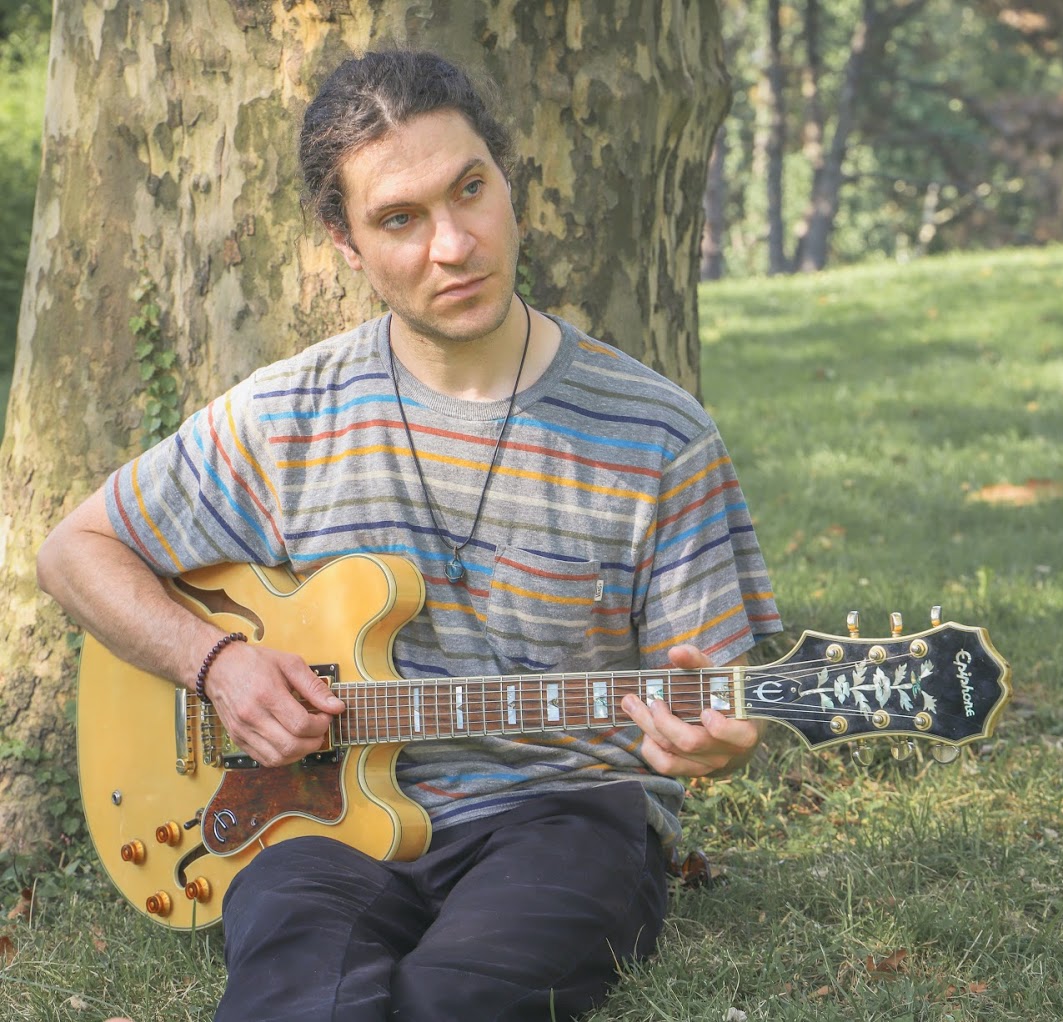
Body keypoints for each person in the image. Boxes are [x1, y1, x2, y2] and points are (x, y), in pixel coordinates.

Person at [36, 50, 781, 1022]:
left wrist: (720, 740)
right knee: (293, 998)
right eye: (400, 218)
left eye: (470, 190)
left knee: (455, 1000)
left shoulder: (657, 434)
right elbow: (74, 552)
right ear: (344, 241)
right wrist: (216, 663)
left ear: (508, 183)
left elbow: (714, 696)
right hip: (320, 824)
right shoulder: (284, 417)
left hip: (562, 813)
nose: (454, 244)